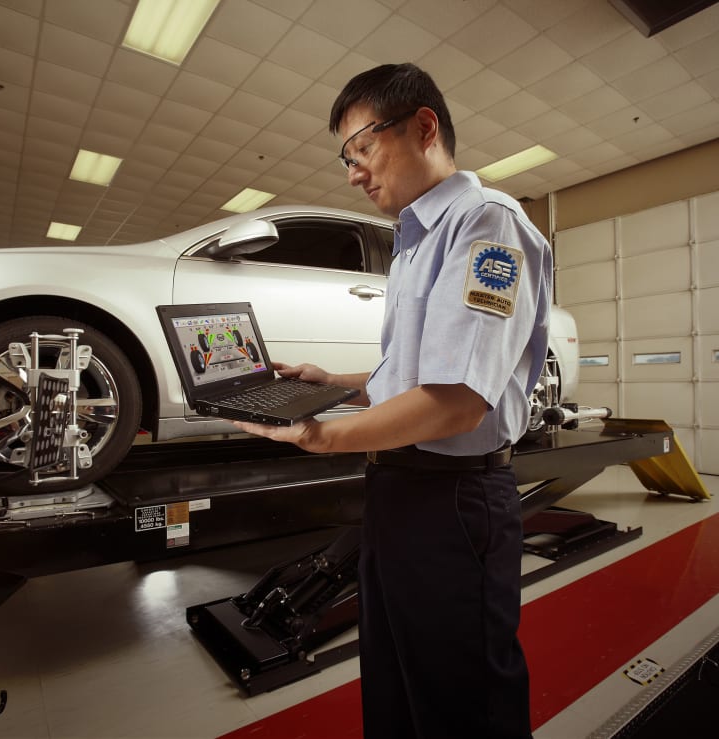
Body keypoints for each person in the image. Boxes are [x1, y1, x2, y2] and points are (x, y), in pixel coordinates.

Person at [233, 63, 551, 738]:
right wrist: (336, 384)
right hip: (398, 491)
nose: (353, 173)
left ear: (423, 127)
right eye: (346, 158)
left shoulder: (487, 225)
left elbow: (456, 402)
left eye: (362, 148)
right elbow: (412, 377)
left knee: (461, 703)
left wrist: (322, 435)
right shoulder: (411, 244)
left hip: (454, 500)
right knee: (395, 685)